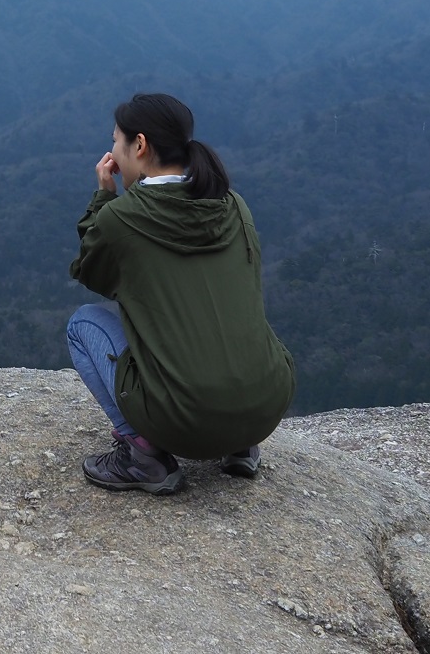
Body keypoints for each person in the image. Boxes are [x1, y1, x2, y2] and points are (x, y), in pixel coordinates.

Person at [66, 93, 294, 494]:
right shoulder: (233, 205)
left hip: (185, 421)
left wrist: (103, 197)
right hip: (266, 406)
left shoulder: (122, 217)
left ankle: (143, 456)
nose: (113, 153)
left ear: (139, 145)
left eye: (116, 142)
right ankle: (239, 444)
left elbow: (91, 269)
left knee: (82, 323)